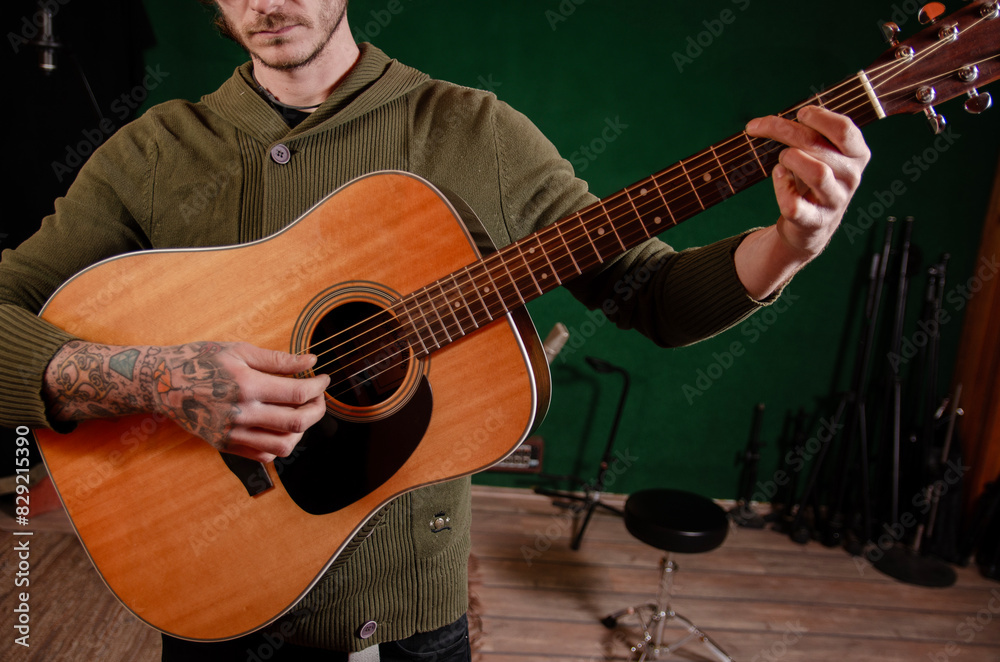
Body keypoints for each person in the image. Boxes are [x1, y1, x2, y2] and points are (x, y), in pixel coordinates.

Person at [0, 0, 870, 659]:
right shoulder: (153, 153)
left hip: (409, 621)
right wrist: (155, 381)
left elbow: (649, 292)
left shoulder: (474, 132)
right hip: (213, 600)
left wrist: (789, 243)